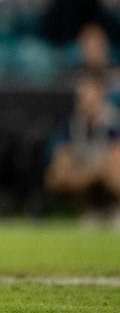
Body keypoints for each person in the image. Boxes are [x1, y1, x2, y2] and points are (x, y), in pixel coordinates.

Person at [44, 70, 120, 225]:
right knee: (59, 172)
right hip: (87, 170)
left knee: (115, 169)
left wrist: (90, 173)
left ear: (100, 96)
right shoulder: (73, 124)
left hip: (103, 171)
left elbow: (115, 157)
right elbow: (61, 157)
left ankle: (115, 209)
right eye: (82, 97)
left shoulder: (114, 121)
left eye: (90, 96)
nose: (86, 101)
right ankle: (89, 211)